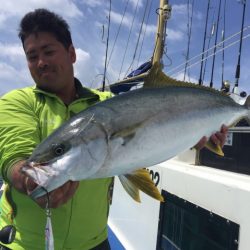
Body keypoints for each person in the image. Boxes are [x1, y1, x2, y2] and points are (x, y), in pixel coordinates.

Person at [0, 8, 228, 250]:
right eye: (32, 56)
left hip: (94, 243)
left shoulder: (106, 102)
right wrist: (27, 180)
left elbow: (157, 130)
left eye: (48, 52)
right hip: (23, 244)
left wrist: (194, 132)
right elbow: (13, 154)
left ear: (71, 54)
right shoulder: (17, 102)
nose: (41, 63)